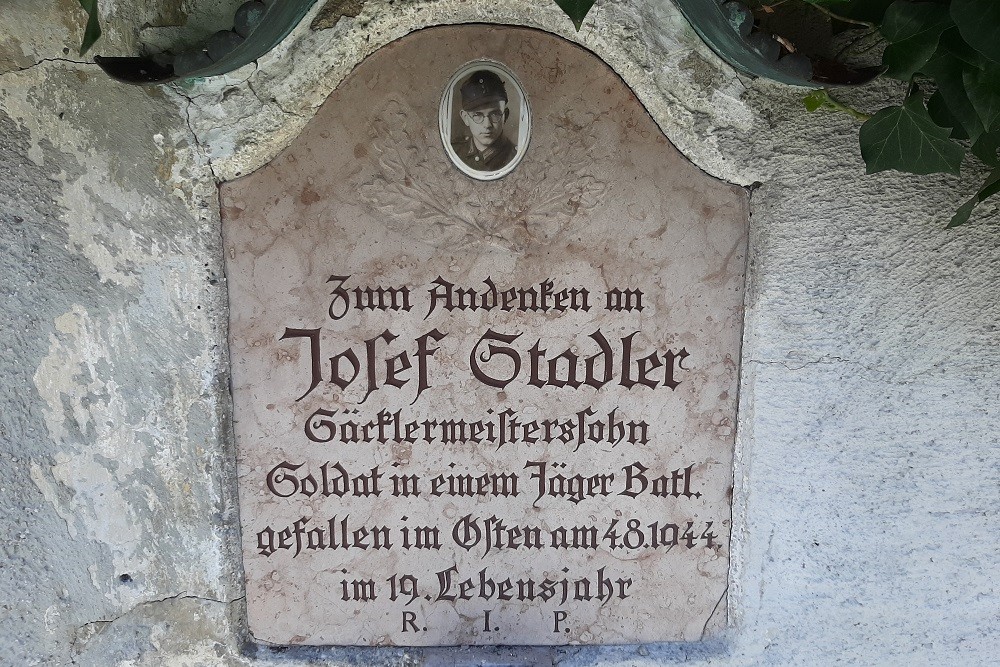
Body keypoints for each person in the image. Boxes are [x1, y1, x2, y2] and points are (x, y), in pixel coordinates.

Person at [451, 70, 517, 172]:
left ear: (506, 115)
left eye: (495, 114)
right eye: (477, 115)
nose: (487, 125)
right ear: (465, 118)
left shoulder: (515, 158)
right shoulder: (454, 152)